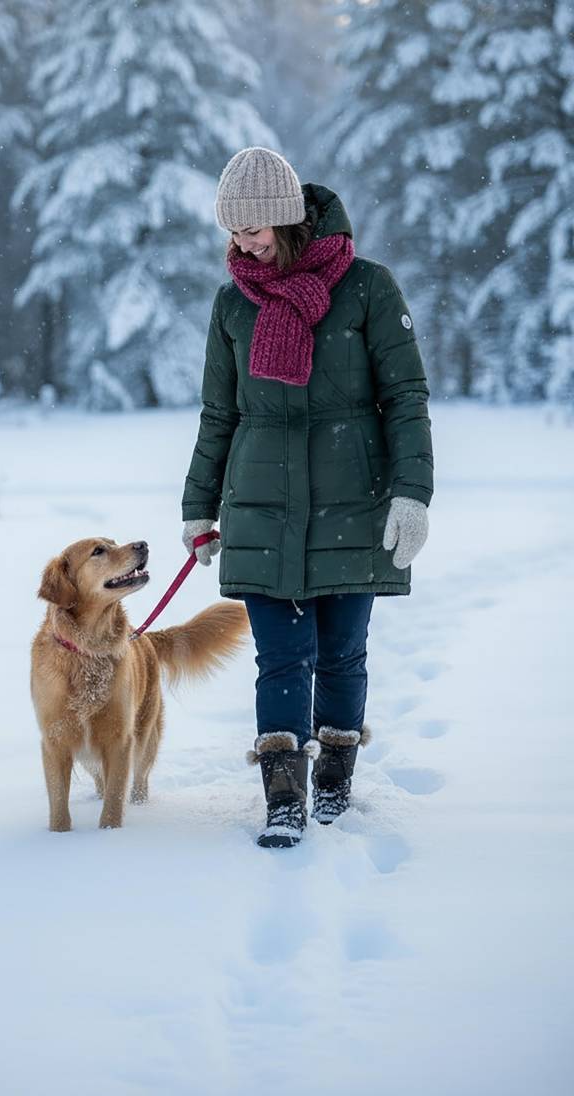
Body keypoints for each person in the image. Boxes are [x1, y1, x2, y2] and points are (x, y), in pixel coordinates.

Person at [181, 147, 434, 849]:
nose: (242, 244)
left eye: (253, 229)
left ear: (289, 219)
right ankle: (284, 793)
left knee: (342, 653)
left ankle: (335, 778)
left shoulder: (367, 290)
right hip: (261, 503)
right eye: (232, 233)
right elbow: (219, 414)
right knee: (280, 655)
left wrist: (412, 493)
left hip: (353, 499)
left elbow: (405, 398)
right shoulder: (234, 303)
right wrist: (199, 506)